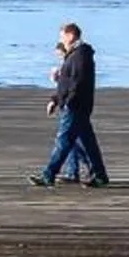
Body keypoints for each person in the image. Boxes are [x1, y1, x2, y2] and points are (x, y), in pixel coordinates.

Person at [31, 22, 109, 188]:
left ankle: (49, 174)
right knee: (86, 143)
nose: (61, 40)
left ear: (70, 35)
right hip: (77, 104)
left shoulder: (80, 55)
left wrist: (66, 101)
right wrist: (56, 98)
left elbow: (77, 83)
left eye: (62, 36)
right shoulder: (74, 55)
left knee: (64, 140)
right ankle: (100, 175)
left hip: (75, 106)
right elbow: (67, 82)